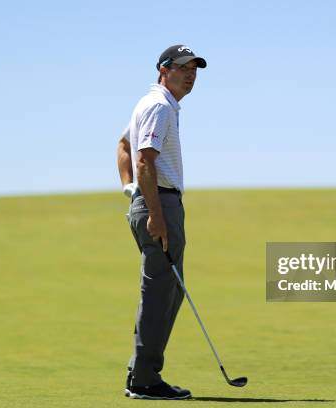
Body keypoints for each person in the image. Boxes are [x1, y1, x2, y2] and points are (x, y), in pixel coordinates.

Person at [116, 45, 207, 400]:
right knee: (159, 294)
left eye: (194, 69)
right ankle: (144, 379)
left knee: (168, 292)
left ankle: (142, 372)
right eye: (183, 67)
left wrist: (129, 191)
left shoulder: (154, 105)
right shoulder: (159, 106)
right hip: (161, 204)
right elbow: (143, 160)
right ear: (163, 70)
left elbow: (123, 144)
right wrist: (153, 212)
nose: (190, 74)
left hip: (158, 202)